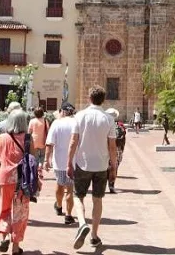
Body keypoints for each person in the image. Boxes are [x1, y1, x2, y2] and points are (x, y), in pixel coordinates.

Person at [67, 85, 118, 249]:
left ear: (89, 98)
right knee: (98, 200)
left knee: (77, 196)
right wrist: (114, 167)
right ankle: (94, 236)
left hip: (83, 163)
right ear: (103, 100)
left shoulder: (80, 116)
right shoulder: (109, 119)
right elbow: (112, 146)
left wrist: (69, 162)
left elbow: (73, 142)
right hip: (101, 165)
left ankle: (82, 223)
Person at [0, 109, 42, 254]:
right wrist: (37, 179)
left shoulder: (2, 138)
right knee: (20, 214)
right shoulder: (28, 138)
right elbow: (33, 162)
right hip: (22, 181)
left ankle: (4, 237)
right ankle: (15, 247)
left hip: (5, 179)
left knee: (4, 209)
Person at [44, 102, 77, 225]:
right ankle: (68, 215)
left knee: (59, 184)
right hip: (73, 162)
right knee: (70, 189)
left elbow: (49, 144)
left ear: (62, 111)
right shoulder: (76, 123)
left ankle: (58, 206)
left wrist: (46, 160)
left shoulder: (56, 123)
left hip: (59, 162)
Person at [104, 108, 126, 194]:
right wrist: (121, 150)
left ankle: (105, 183)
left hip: (106, 149)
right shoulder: (120, 126)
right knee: (114, 168)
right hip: (118, 150)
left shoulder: (105, 125)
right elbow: (123, 140)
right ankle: (111, 185)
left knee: (105, 167)